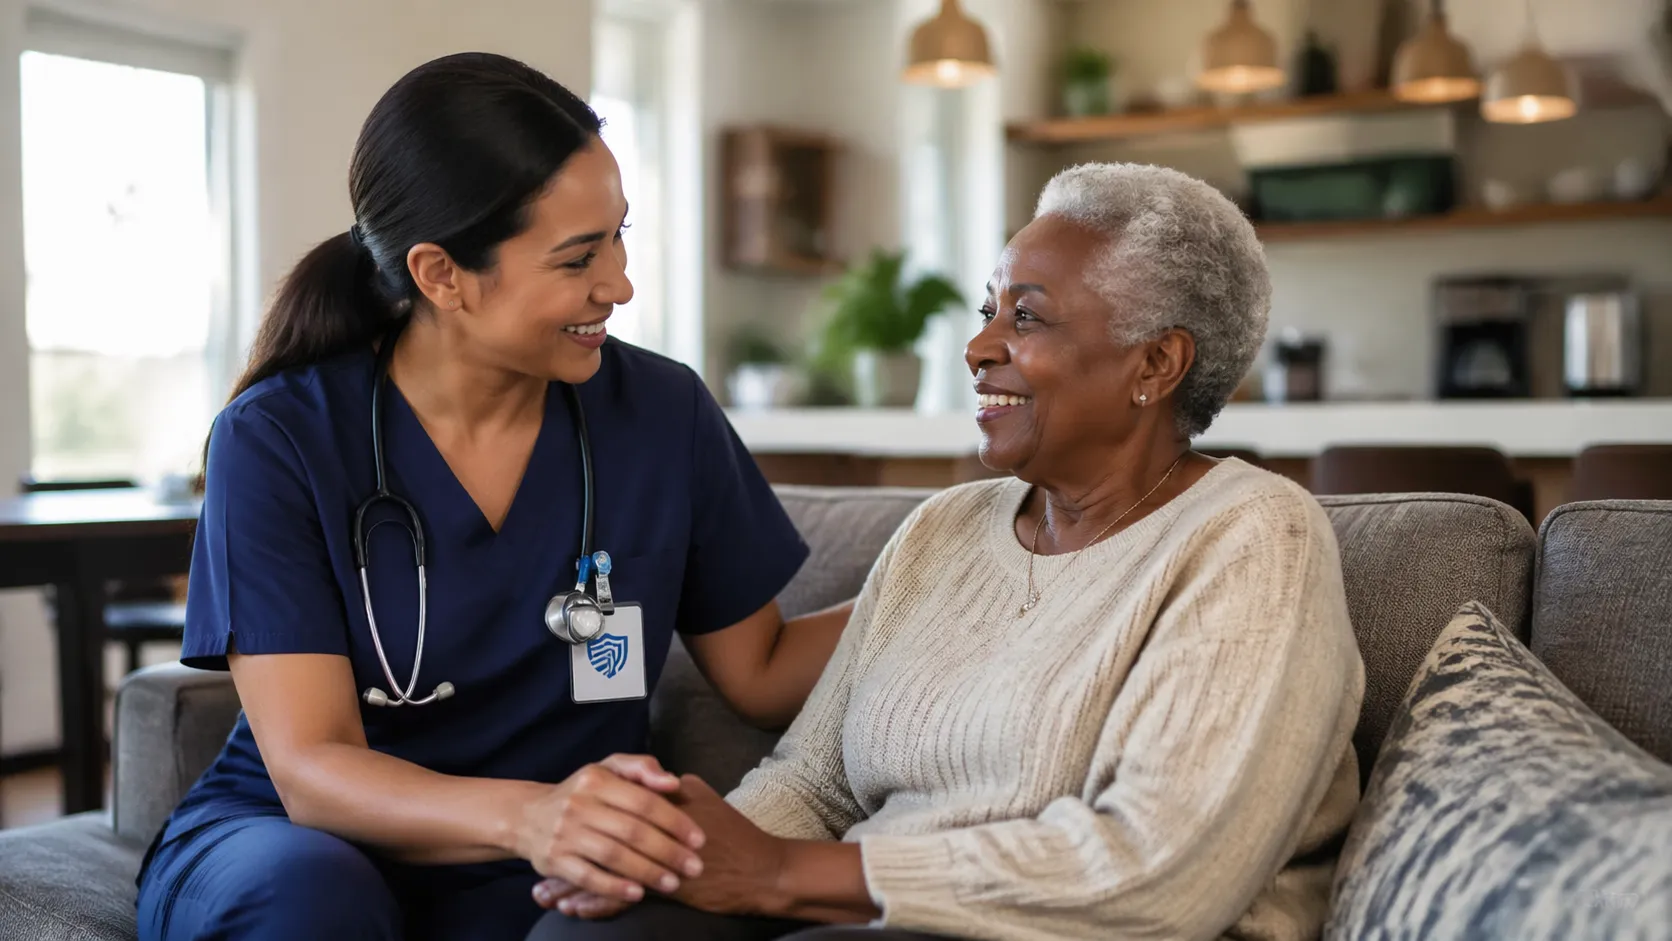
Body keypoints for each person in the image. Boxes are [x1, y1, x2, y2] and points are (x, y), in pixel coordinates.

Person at [529, 163, 1368, 941]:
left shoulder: (1254, 537)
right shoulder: (945, 530)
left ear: (1155, 362)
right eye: (988, 312)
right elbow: (814, 784)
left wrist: (780, 874)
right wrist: (678, 854)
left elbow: (1158, 870)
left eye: (1026, 316)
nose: (979, 348)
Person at [134, 52, 855, 941]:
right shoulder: (280, 436)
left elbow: (764, 668)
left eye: (620, 236)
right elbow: (312, 768)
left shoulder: (661, 413)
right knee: (310, 898)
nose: (619, 283)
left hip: (544, 856)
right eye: (577, 257)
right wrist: (532, 817)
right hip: (299, 839)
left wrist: (948, 567)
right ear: (441, 276)